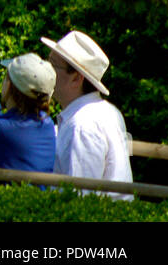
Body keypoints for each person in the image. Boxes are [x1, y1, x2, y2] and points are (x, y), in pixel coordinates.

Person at [42, 30, 134, 200]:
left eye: (53, 64)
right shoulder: (108, 111)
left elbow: (80, 199)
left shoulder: (82, 125)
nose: (45, 68)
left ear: (76, 78)